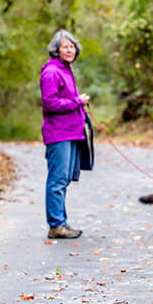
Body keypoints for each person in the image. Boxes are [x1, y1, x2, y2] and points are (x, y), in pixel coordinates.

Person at [40, 29, 91, 239]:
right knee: (57, 181)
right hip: (58, 133)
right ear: (56, 50)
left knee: (65, 179)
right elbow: (49, 103)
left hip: (71, 132)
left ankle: (62, 222)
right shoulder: (51, 71)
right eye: (65, 47)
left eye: (72, 46)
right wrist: (77, 101)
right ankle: (56, 225)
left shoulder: (65, 70)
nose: (69, 50)